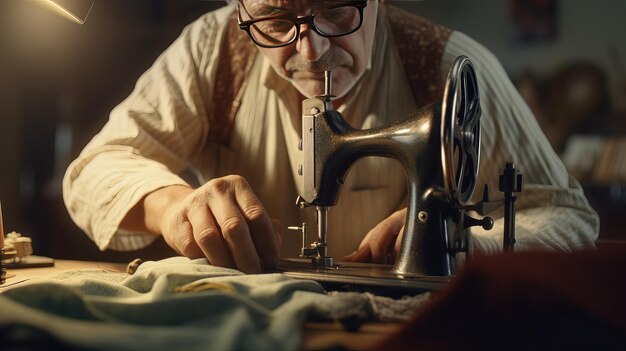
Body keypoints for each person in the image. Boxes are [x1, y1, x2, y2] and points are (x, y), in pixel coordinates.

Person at [63, 0, 599, 274]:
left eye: (337, 10)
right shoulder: (213, 51)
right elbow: (95, 170)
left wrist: (461, 241)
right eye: (276, 18)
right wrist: (174, 205)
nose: (311, 51)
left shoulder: (449, 66)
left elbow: (569, 217)